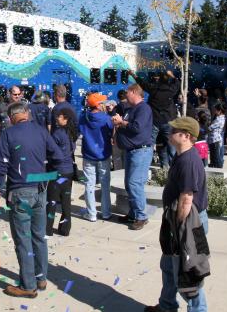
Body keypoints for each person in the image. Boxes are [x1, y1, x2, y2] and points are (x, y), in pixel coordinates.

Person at [0, 102, 65, 298]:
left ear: (11, 117)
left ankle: (28, 285)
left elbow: (1, 165)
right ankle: (41, 278)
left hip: (20, 191)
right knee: (39, 236)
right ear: (27, 113)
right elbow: (58, 156)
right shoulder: (41, 131)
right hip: (40, 190)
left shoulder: (8, 134)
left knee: (23, 240)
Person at [144, 116, 210, 312]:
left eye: (174, 131)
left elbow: (186, 199)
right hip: (176, 221)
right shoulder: (181, 156)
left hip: (186, 223)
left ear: (186, 136)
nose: (170, 133)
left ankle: (198, 310)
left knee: (189, 273)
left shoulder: (189, 161)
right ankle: (167, 306)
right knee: (168, 267)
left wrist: (178, 228)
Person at [112, 84, 154, 230]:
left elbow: (137, 127)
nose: (125, 95)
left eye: (127, 92)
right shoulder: (131, 109)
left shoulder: (143, 108)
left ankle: (141, 216)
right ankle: (133, 213)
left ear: (135, 92)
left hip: (140, 152)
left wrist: (121, 122)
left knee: (135, 183)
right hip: (131, 151)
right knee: (129, 184)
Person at [132, 70, 179, 167]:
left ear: (159, 79)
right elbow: (177, 84)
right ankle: (175, 168)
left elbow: (142, 83)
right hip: (168, 121)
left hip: (155, 121)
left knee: (150, 145)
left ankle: (147, 167)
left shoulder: (153, 89)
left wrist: (133, 75)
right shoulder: (171, 90)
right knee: (171, 146)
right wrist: (172, 76)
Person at [80, 93, 114, 221]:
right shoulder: (106, 119)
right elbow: (111, 133)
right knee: (105, 184)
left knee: (89, 184)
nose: (104, 104)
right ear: (98, 105)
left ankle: (91, 213)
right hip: (103, 154)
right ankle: (106, 212)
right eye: (102, 102)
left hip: (88, 154)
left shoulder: (84, 117)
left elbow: (80, 130)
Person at [46, 107, 77, 237]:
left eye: (59, 116)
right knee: (66, 201)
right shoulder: (72, 133)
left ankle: (47, 228)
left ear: (66, 119)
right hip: (68, 171)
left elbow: (51, 151)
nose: (57, 118)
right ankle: (65, 229)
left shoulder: (57, 134)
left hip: (58, 171)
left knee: (52, 201)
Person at [207, 104, 226, 168]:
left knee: (216, 156)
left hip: (216, 139)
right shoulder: (218, 118)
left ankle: (219, 168)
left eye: (216, 110)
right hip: (213, 139)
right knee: (213, 155)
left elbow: (210, 128)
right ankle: (213, 165)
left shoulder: (220, 119)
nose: (215, 111)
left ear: (220, 111)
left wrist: (208, 127)